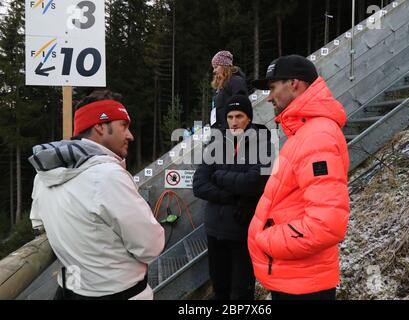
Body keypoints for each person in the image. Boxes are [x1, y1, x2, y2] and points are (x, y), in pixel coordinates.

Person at [28, 90, 165, 300]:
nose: (131, 135)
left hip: (70, 289)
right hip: (120, 293)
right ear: (100, 126)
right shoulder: (108, 176)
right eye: (124, 126)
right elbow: (150, 246)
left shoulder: (45, 174)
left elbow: (39, 225)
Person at [248, 55, 350, 300]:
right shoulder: (305, 132)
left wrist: (266, 238)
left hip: (304, 286)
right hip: (295, 278)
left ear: (294, 83)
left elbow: (326, 224)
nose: (269, 97)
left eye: (272, 88)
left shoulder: (318, 136)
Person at [193, 95, 272, 300]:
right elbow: (199, 185)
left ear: (249, 118)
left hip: (242, 231)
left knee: (241, 293)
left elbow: (255, 182)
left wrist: (219, 176)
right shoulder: (216, 142)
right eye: (230, 116)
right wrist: (232, 195)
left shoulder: (262, 143)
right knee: (220, 290)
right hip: (214, 230)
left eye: (239, 116)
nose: (234, 121)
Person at [210, 50, 249, 130]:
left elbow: (241, 107)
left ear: (224, 66)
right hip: (219, 133)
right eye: (213, 68)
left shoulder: (236, 81)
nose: (214, 71)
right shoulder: (220, 87)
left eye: (216, 67)